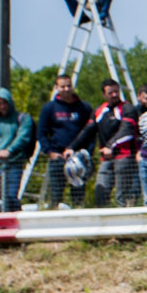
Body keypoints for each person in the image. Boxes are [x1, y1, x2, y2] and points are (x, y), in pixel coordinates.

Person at [67, 78, 137, 206]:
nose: (114, 95)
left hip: (124, 157)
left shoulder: (127, 108)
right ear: (104, 95)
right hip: (105, 158)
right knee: (100, 194)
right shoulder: (99, 111)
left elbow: (127, 130)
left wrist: (110, 146)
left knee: (121, 196)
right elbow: (88, 131)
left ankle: (124, 216)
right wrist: (72, 147)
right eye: (110, 92)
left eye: (116, 91)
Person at [38, 74, 92, 208]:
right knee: (55, 195)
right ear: (56, 88)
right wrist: (49, 152)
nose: (66, 89)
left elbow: (91, 132)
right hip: (58, 157)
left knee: (78, 196)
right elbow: (41, 132)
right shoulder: (49, 108)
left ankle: (79, 217)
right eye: (63, 86)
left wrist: (87, 153)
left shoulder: (84, 107)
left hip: (78, 158)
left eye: (69, 86)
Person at [0, 89, 34, 212]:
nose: (2, 106)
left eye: (4, 103)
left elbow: (22, 138)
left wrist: (9, 151)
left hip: (13, 165)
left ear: (10, 103)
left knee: (10, 198)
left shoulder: (22, 118)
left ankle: (17, 220)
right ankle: (4, 223)